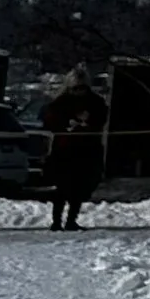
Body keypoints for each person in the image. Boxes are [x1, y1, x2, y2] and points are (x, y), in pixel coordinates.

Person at [42, 67, 107, 230]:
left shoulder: (95, 102)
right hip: (64, 151)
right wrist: (66, 125)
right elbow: (49, 122)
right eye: (76, 88)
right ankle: (56, 221)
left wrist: (88, 123)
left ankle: (71, 220)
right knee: (61, 187)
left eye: (82, 87)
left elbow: (101, 119)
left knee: (80, 187)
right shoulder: (60, 103)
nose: (79, 91)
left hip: (87, 150)